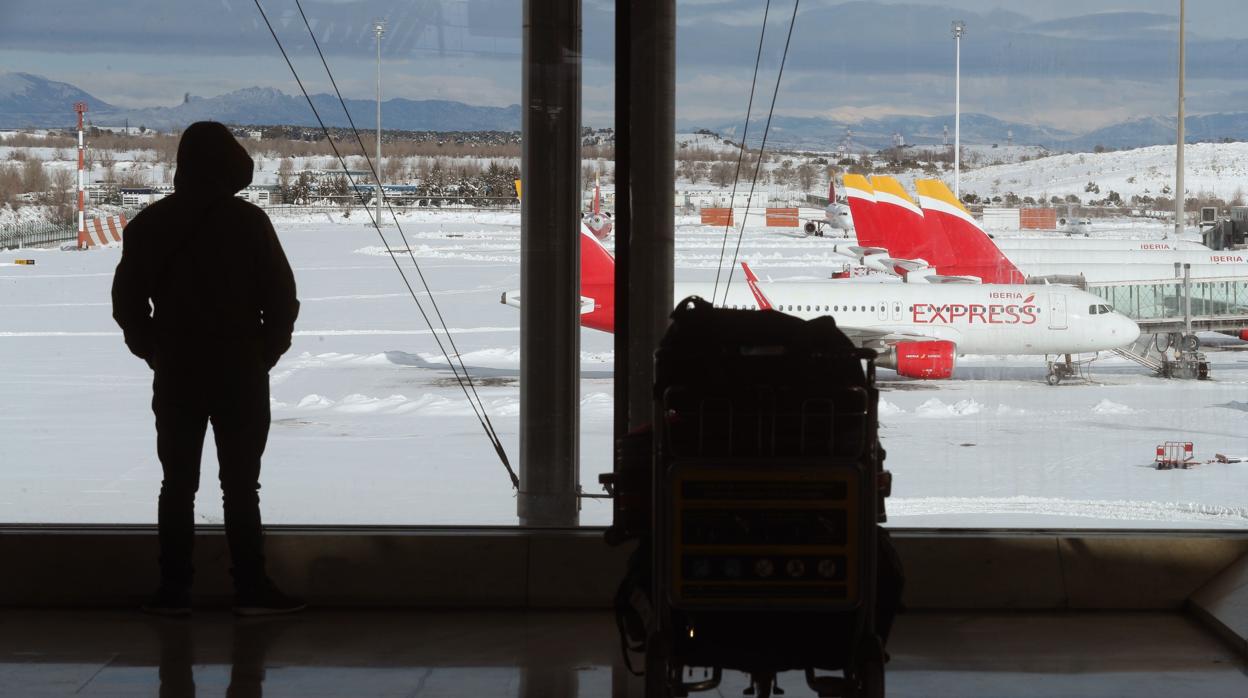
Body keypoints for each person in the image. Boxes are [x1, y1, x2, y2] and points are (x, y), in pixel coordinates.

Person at [112, 121, 304, 616]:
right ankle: (251, 588)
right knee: (242, 484)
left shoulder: (150, 224)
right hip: (240, 370)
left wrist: (155, 349)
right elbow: (282, 299)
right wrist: (265, 352)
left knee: (177, 483)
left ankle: (175, 590)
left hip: (177, 370)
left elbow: (128, 302)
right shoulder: (250, 223)